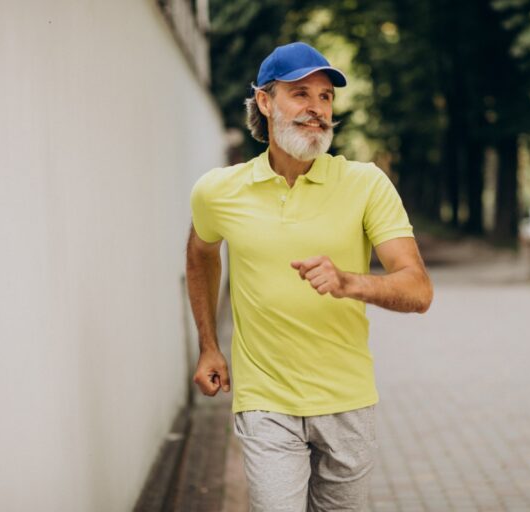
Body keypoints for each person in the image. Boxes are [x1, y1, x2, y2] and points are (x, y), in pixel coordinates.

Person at [185, 42, 433, 512]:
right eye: (301, 94)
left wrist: (350, 282)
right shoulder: (219, 191)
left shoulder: (366, 184)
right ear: (264, 101)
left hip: (348, 399)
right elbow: (201, 252)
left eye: (325, 97)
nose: (317, 109)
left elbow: (418, 290)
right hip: (265, 401)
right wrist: (208, 344)